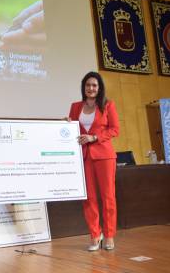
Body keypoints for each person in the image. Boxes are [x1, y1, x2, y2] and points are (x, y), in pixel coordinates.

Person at [68, 71, 119, 251]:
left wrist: (94, 137)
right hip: (83, 157)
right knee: (88, 198)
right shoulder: (75, 107)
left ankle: (109, 235)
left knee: (108, 196)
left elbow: (114, 130)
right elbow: (73, 129)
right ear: (84, 87)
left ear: (99, 88)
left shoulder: (107, 105)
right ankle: (95, 235)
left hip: (104, 156)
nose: (91, 88)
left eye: (94, 85)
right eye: (88, 85)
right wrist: (65, 126)